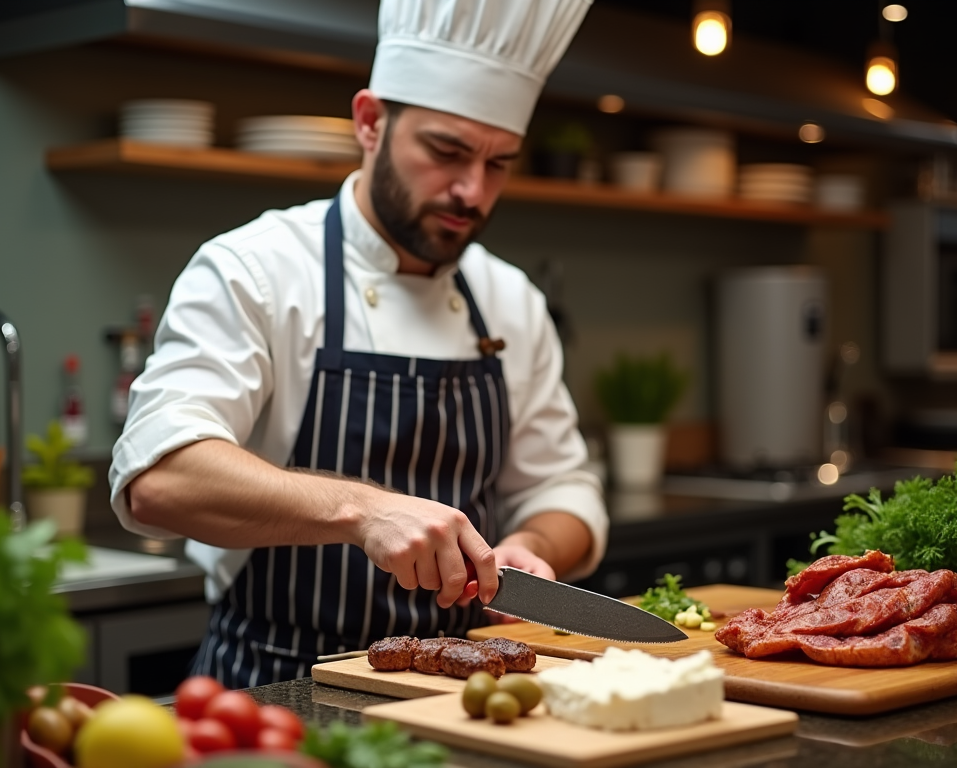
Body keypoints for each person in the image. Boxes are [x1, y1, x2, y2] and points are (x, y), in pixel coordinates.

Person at [109, 0, 606, 688]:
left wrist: (535, 545)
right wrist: (364, 510)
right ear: (370, 123)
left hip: (461, 689)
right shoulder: (254, 268)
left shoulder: (510, 299)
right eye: (447, 151)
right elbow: (158, 480)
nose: (472, 190)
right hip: (276, 684)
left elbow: (565, 488)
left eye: (499, 163)